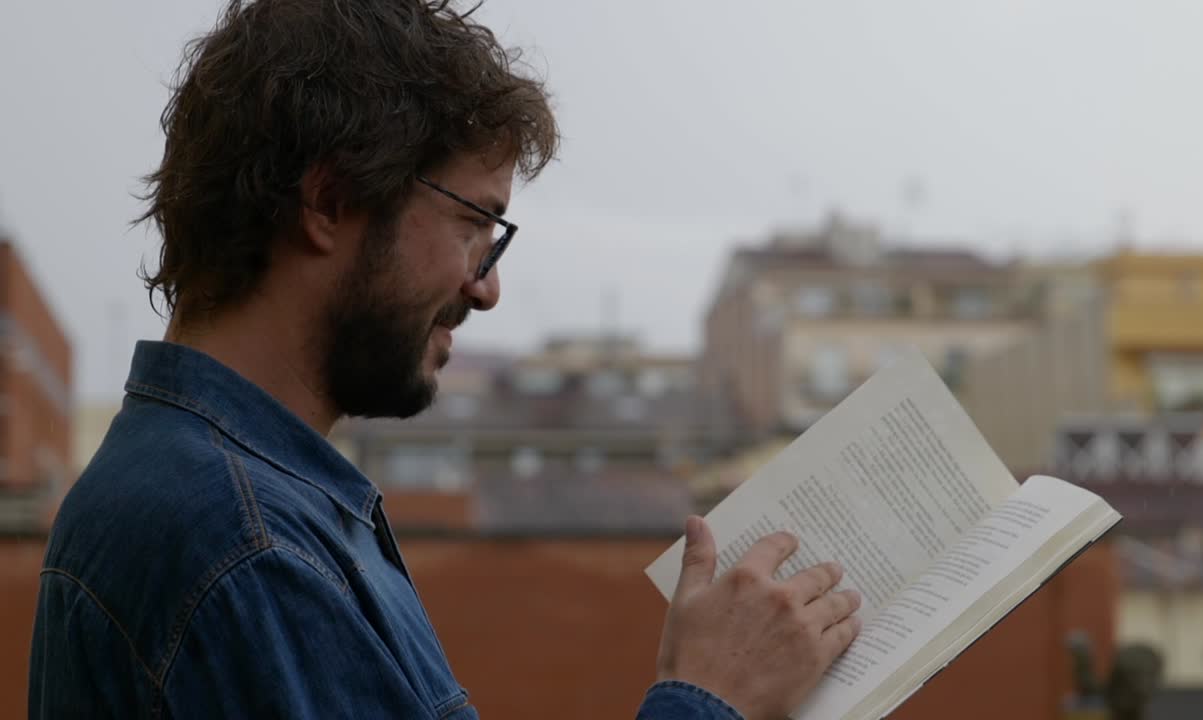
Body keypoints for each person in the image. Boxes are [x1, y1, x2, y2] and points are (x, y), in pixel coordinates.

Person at [29, 1, 862, 718]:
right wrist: (711, 697)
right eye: (476, 223)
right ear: (330, 201)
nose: (486, 287)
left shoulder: (213, 497)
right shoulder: (242, 546)